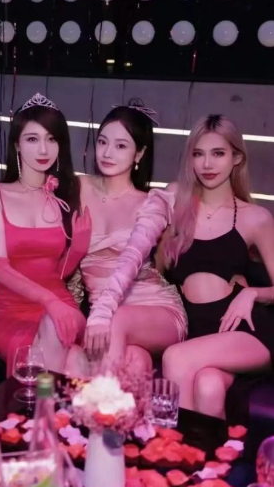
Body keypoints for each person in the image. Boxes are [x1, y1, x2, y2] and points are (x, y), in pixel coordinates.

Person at [161, 115, 274, 419]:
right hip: (196, 328)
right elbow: (155, 268)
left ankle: (170, 448)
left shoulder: (255, 218)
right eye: (198, 154)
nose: (207, 164)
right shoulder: (176, 200)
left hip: (245, 329)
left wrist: (252, 294)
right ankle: (213, 451)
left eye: (218, 153)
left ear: (237, 158)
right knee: (208, 385)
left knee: (176, 358)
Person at [0, 93, 90, 375]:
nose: (43, 149)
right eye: (32, 139)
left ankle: (37, 405)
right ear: (17, 144)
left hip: (61, 306)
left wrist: (76, 252)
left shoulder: (62, 196)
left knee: (60, 337)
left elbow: (56, 273)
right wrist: (48, 301)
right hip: (10, 311)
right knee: (74, 359)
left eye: (51, 139)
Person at [76, 104, 186, 373]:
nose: (108, 152)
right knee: (134, 363)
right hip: (107, 315)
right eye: (103, 142)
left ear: (139, 153)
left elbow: (132, 257)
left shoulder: (152, 202)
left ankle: (100, 401)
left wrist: (102, 312)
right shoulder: (79, 187)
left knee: (117, 321)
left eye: (121, 146)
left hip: (155, 310)